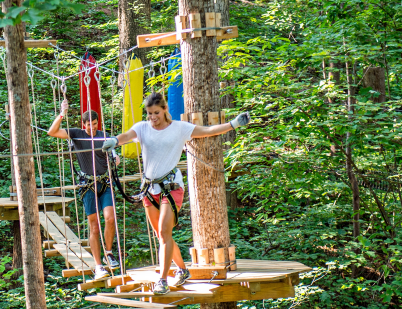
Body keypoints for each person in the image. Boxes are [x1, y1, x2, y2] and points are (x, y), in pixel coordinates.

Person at [101, 92, 250, 295]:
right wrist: (114, 141)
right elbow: (127, 136)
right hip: (149, 189)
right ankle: (182, 269)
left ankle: (162, 280)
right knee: (162, 235)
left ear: (164, 110)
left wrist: (232, 124)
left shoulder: (179, 128)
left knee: (163, 232)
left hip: (171, 188)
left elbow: (207, 130)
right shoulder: (142, 128)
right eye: (149, 113)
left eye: (156, 113)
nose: (152, 117)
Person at [47, 99, 121, 281]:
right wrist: (62, 113)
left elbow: (115, 155)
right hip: (87, 185)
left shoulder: (104, 136)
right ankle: (98, 266)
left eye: (94, 124)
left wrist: (115, 158)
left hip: (105, 183)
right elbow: (52, 132)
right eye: (89, 125)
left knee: (110, 219)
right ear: (83, 124)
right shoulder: (77, 134)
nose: (92, 128)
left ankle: (109, 253)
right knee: (94, 226)